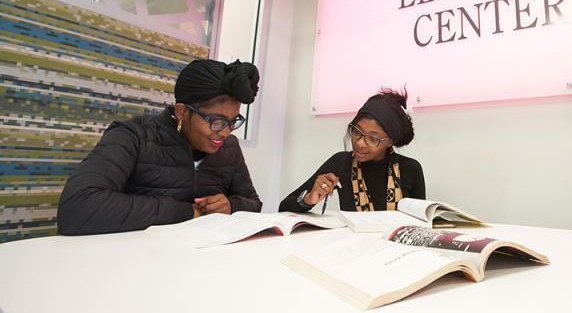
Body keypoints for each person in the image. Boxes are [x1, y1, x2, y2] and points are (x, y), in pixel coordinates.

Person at [57, 59, 262, 235]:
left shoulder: (229, 147)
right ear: (182, 112)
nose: (226, 132)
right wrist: (188, 213)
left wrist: (231, 206)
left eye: (233, 121)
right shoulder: (133, 136)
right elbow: (78, 206)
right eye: (217, 121)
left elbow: (253, 203)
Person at [279, 87, 425, 213]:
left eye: (373, 138)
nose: (360, 143)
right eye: (356, 132)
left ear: (390, 141)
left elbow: (421, 221)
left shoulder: (411, 169)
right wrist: (309, 198)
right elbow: (284, 207)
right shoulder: (341, 163)